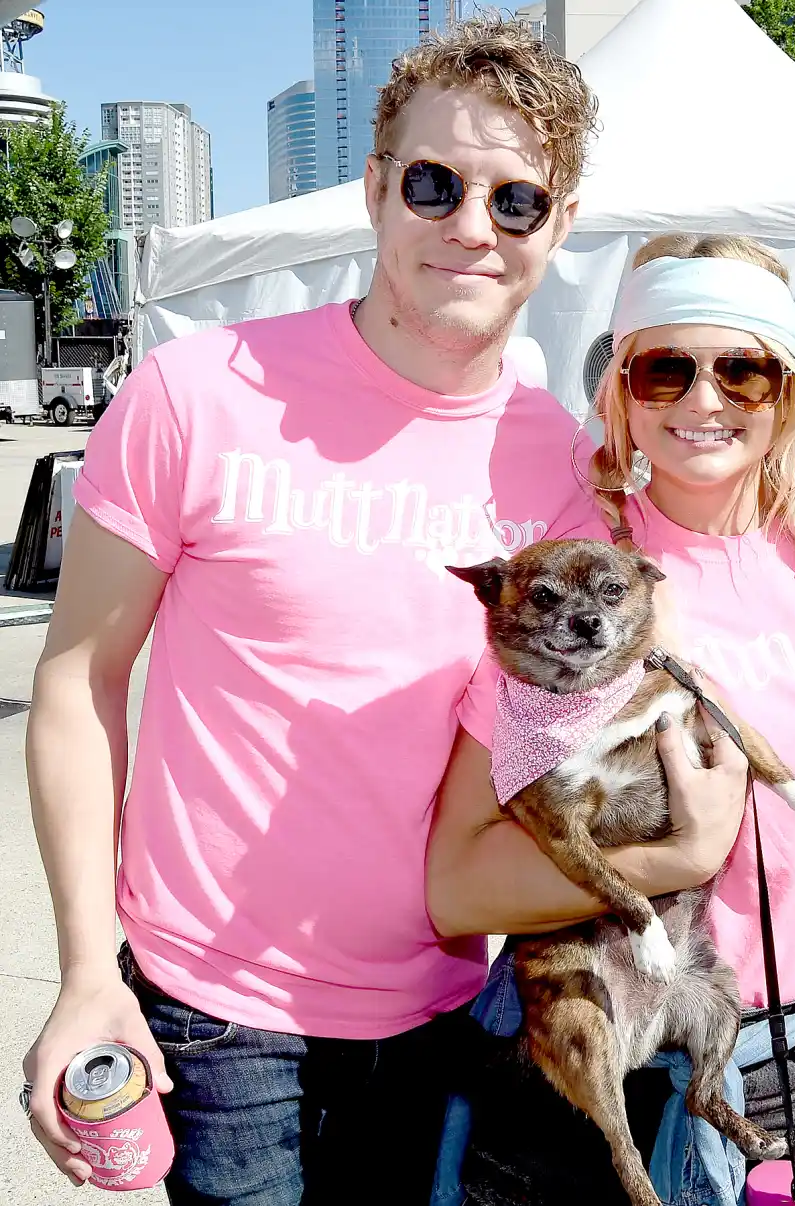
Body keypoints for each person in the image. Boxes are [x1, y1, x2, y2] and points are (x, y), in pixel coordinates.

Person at [18, 19, 620, 1206]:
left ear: (557, 228)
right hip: (214, 1013)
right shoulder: (196, 393)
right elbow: (79, 681)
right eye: (436, 184)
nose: (471, 227)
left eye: (515, 201)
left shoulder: (564, 471)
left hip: (449, 1009)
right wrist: (86, 973)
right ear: (376, 187)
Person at [426, 234, 795, 1205]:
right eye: (664, 370)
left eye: (741, 370)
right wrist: (675, 859)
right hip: (598, 1054)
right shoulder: (573, 588)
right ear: (622, 395)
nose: (702, 401)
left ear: (785, 392)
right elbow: (458, 886)